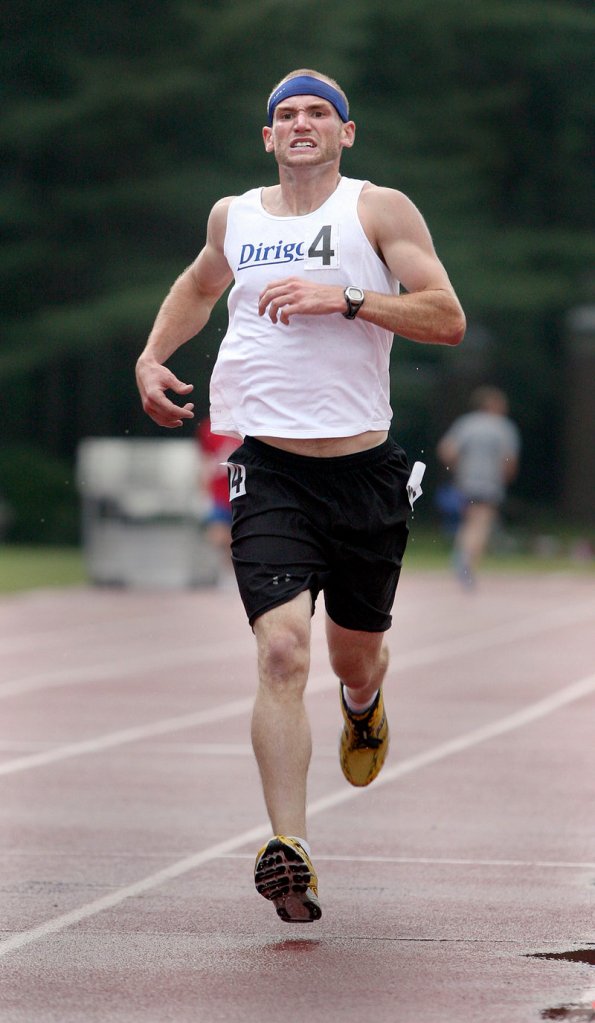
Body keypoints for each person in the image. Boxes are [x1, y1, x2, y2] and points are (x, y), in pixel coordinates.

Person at [136, 69, 466, 923]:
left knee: (354, 655)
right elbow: (201, 283)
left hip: (362, 472)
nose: (302, 124)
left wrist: (347, 299)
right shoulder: (233, 216)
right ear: (267, 137)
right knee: (283, 651)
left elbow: (444, 315)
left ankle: (364, 702)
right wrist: (151, 354)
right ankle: (291, 847)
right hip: (270, 469)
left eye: (319, 112)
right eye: (286, 115)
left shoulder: (377, 209)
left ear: (346, 133)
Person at [436, 386, 520, 587]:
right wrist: (505, 476)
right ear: (493, 405)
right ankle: (466, 564)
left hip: (466, 481)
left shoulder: (466, 423)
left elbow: (446, 450)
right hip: (489, 482)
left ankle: (461, 556)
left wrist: (457, 467)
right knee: (481, 523)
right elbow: (509, 460)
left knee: (470, 521)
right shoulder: (503, 427)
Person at [195, 415, 236, 584]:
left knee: (240, 538)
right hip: (220, 493)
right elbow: (204, 462)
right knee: (219, 536)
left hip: (244, 493)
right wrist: (203, 494)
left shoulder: (249, 424)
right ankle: (225, 573)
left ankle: (235, 573)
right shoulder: (208, 428)